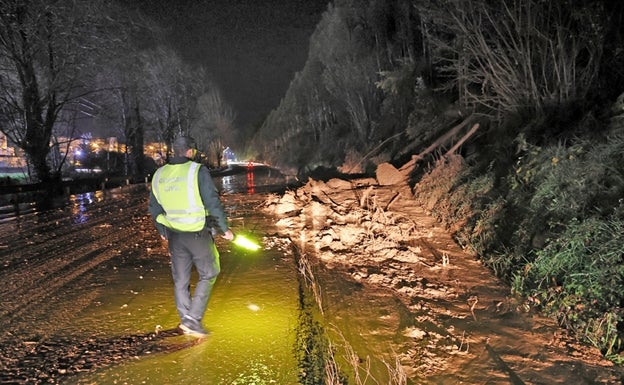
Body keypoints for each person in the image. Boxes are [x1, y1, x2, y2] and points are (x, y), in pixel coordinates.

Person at [148, 135, 234, 337]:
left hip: (175, 236)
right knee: (210, 272)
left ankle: (186, 319)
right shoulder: (197, 171)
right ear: (189, 151)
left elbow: (154, 207)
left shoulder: (159, 174)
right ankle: (193, 320)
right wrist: (224, 229)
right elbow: (212, 201)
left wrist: (163, 232)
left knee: (180, 280)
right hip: (197, 234)